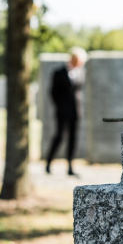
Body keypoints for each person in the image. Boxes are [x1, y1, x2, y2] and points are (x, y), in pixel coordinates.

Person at [46, 47, 87, 176]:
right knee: (59, 136)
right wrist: (60, 106)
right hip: (62, 111)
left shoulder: (81, 72)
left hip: (76, 111)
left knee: (73, 138)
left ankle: (70, 166)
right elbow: (53, 92)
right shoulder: (59, 72)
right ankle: (48, 162)